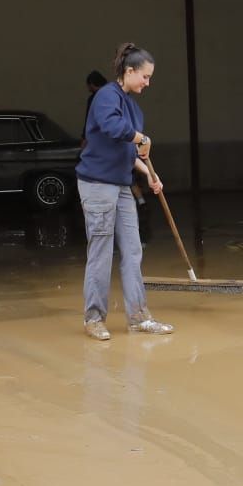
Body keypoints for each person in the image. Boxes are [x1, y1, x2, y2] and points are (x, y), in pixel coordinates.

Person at [77, 44, 174, 341]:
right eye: (144, 76)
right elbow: (112, 128)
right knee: (101, 251)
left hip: (120, 185)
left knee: (133, 250)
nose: (147, 82)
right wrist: (141, 137)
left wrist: (149, 174)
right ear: (129, 71)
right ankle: (94, 318)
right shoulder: (107, 96)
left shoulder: (132, 105)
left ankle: (139, 316)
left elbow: (129, 149)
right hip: (97, 184)